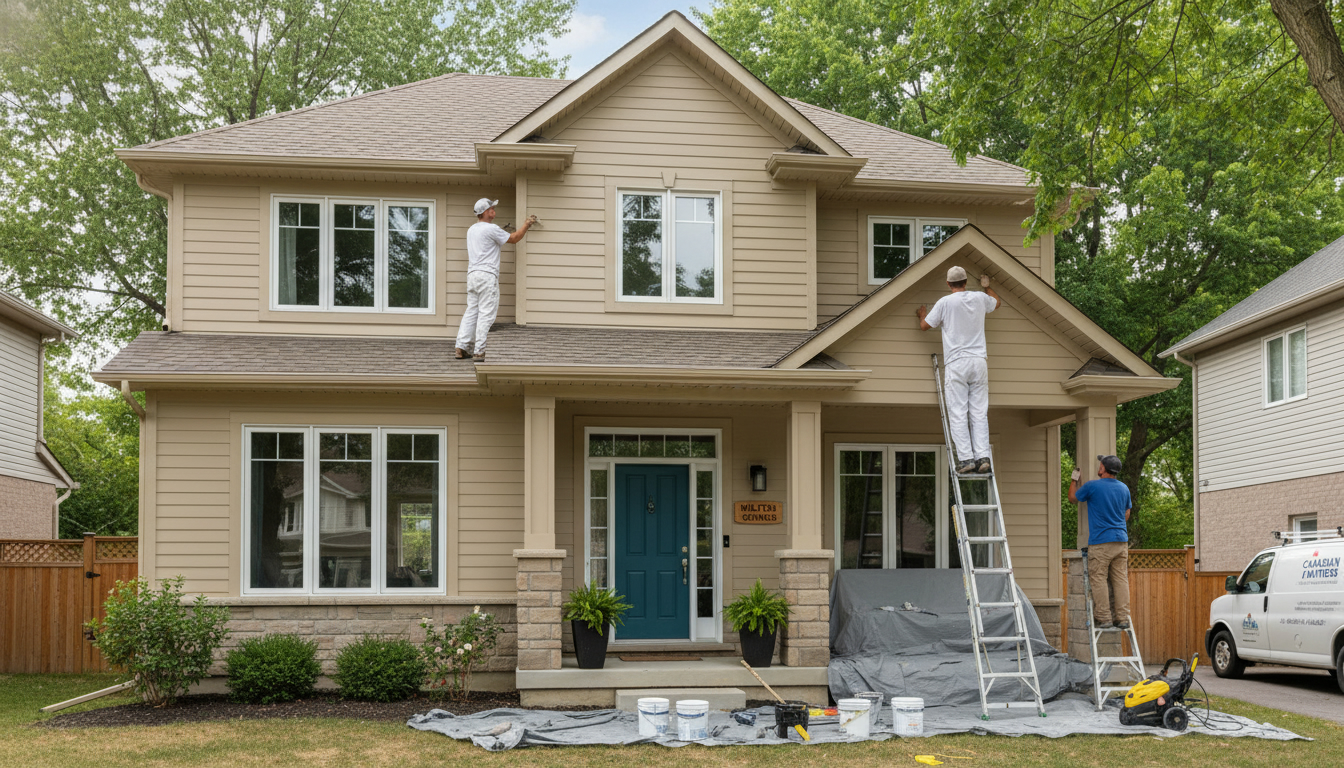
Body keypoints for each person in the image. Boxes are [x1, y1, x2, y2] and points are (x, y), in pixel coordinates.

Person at [917, 266, 1000, 474]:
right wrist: (987, 287)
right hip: (979, 361)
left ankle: (966, 460)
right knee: (979, 413)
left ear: (948, 284)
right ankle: (983, 457)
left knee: (958, 412)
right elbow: (997, 303)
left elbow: (925, 326)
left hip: (957, 363)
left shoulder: (945, 303)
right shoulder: (980, 298)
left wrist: (922, 314)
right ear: (965, 282)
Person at [456, 198, 537, 361]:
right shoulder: (491, 229)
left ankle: (461, 346)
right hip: (486, 276)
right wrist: (526, 225)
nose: (494, 210)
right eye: (492, 208)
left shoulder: (472, 230)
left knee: (472, 311)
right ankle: (479, 351)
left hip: (472, 276)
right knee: (486, 314)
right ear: (485, 212)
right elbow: (514, 238)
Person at [1069, 454, 1132, 630]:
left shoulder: (1092, 486)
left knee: (1098, 578)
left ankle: (1104, 618)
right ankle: (1123, 618)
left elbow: (1073, 498)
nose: (1099, 466)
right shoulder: (1124, 488)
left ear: (1103, 468)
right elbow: (1127, 513)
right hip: (1121, 541)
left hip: (1101, 543)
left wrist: (1074, 480)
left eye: (1100, 464)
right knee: (1120, 579)